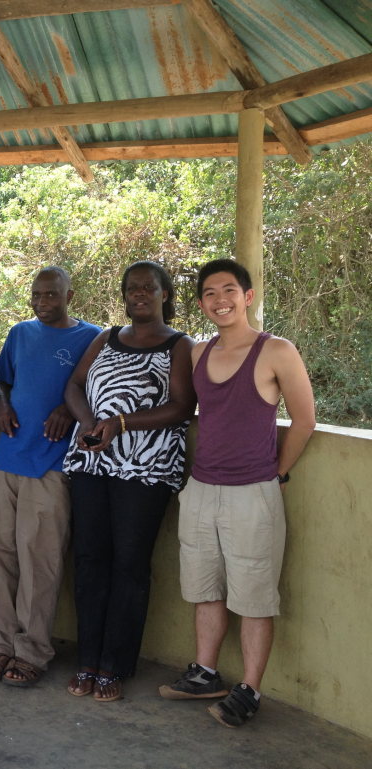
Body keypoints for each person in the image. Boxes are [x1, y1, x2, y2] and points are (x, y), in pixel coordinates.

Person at [159, 259, 315, 728]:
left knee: (253, 595)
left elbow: (304, 420)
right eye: (209, 293)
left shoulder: (276, 351)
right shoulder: (197, 354)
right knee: (204, 586)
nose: (219, 299)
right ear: (202, 303)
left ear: (247, 296)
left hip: (253, 493)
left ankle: (249, 689)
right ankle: (206, 672)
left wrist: (277, 474)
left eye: (229, 290)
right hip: (202, 488)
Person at [63, 260, 197, 702]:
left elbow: (181, 407)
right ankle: (87, 659)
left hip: (147, 468)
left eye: (149, 287)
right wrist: (89, 424)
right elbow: (74, 387)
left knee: (130, 563)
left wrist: (120, 422)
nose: (139, 293)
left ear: (165, 295)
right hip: (92, 462)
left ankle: (113, 665)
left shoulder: (179, 345)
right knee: (89, 558)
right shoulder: (105, 338)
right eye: (132, 288)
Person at [0, 267, 100, 685]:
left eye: (51, 295)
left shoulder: (92, 337)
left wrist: (69, 408)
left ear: (70, 295)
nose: (42, 302)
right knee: (0, 555)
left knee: (39, 561)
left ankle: (32, 652)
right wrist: (2, 407)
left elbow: (93, 391)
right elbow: (3, 381)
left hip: (52, 464)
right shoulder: (19, 333)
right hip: (9, 457)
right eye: (36, 295)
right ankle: (0, 645)